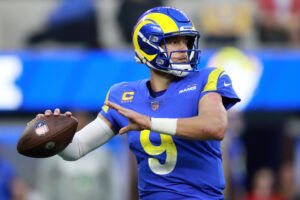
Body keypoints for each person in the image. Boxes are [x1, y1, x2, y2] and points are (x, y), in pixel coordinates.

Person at [39, 7, 240, 199]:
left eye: (186, 41)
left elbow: (216, 126)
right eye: (173, 41)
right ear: (148, 45)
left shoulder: (207, 78)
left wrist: (150, 122)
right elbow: (77, 149)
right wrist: (52, 137)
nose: (183, 48)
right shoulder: (124, 95)